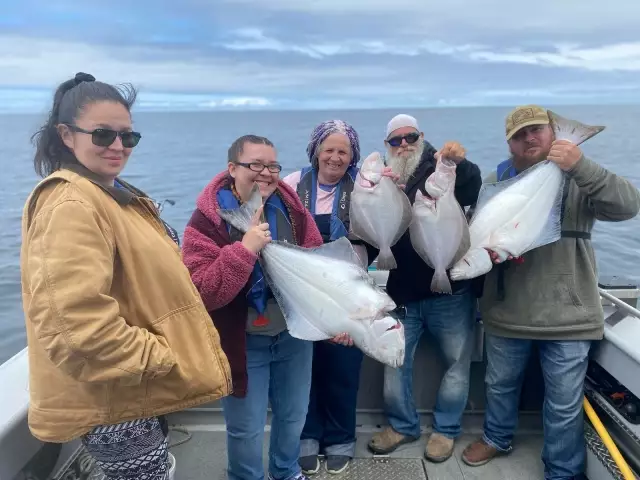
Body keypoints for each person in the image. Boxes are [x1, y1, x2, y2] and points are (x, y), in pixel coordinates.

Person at [20, 72, 232, 479]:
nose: (117, 147)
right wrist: (163, 357)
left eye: (128, 137)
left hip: (129, 391)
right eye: (102, 135)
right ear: (67, 135)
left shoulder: (105, 192)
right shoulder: (71, 205)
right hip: (115, 403)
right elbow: (75, 328)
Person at [461, 105, 640, 479]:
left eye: (536, 130)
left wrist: (580, 165)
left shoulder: (580, 177)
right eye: (519, 134)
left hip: (568, 313)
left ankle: (562, 470)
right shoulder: (498, 179)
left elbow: (628, 206)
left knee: (563, 401)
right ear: (509, 143)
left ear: (552, 133)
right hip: (507, 310)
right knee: (499, 383)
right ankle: (496, 436)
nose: (529, 138)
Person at [181, 134, 324, 480]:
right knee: (246, 428)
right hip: (241, 342)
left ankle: (286, 472)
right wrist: (244, 250)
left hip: (293, 336)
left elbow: (316, 262)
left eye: (273, 166)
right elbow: (203, 291)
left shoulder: (293, 211)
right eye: (255, 165)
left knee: (293, 416)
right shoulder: (206, 222)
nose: (266, 173)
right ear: (232, 168)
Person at [367, 114, 482, 463]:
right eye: (395, 140)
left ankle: (446, 430)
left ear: (422, 137)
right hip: (402, 293)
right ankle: (403, 426)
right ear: (387, 146)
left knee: (457, 365)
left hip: (451, 294)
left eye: (410, 136)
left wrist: (455, 162)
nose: (404, 144)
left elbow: (470, 184)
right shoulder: (386, 178)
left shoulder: (441, 170)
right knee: (394, 362)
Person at [282, 120, 389, 475]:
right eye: (328, 149)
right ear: (315, 151)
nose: (335, 157)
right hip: (306, 292)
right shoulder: (293, 185)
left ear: (353, 156)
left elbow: (383, 228)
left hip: (349, 291)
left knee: (343, 371)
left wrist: (391, 187)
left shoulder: (364, 186)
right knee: (304, 370)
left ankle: (341, 438)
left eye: (343, 151)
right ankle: (307, 436)